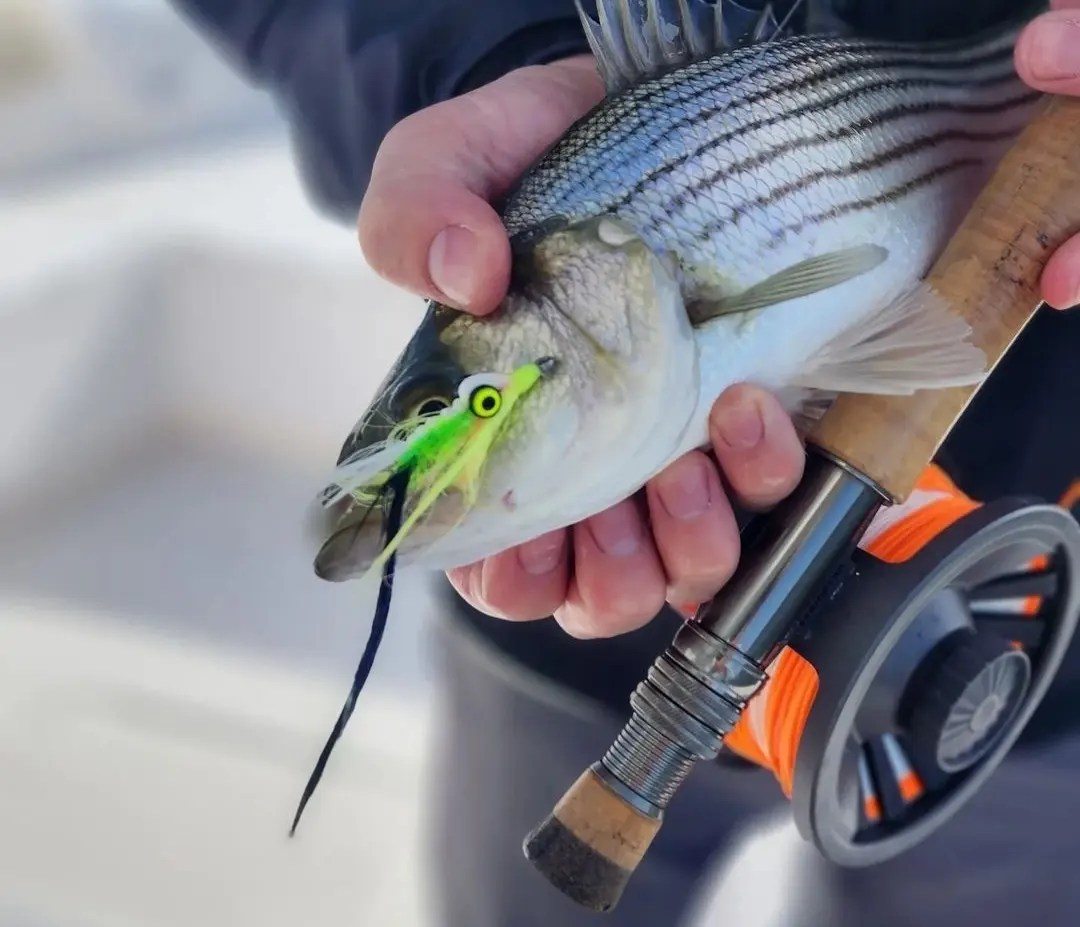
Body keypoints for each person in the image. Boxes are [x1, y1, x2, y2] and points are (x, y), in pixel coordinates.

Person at [173, 1, 1080, 924]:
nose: (452, 443)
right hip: (579, 668)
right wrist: (482, 54)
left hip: (1027, 621)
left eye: (475, 403)